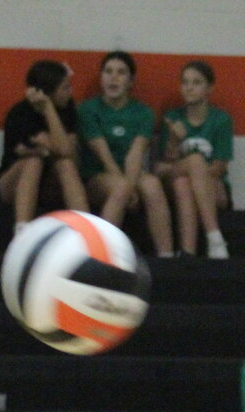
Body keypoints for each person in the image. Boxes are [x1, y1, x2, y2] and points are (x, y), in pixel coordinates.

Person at [77, 50, 174, 257]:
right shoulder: (88, 109)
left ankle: (167, 256)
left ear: (131, 81)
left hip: (131, 172)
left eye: (121, 72)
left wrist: (129, 185)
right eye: (108, 71)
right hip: (97, 175)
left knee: (152, 185)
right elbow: (103, 155)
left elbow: (136, 154)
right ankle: (98, 254)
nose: (113, 77)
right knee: (120, 187)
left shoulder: (143, 113)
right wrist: (128, 188)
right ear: (101, 77)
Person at [0, 60, 89, 232]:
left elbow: (67, 151)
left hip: (50, 184)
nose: (70, 92)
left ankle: (85, 230)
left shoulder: (67, 109)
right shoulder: (21, 114)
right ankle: (22, 231)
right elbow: (55, 148)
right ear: (48, 92)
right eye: (65, 88)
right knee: (34, 162)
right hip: (13, 184)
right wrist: (49, 149)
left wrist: (49, 110)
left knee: (65, 164)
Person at [155, 60, 232, 259]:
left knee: (184, 182)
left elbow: (220, 166)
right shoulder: (172, 118)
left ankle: (187, 252)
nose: (189, 87)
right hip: (176, 179)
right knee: (193, 164)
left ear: (210, 88)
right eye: (185, 82)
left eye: (196, 82)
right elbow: (164, 165)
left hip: (212, 185)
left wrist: (198, 177)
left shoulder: (221, 119)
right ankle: (214, 238)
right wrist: (172, 140)